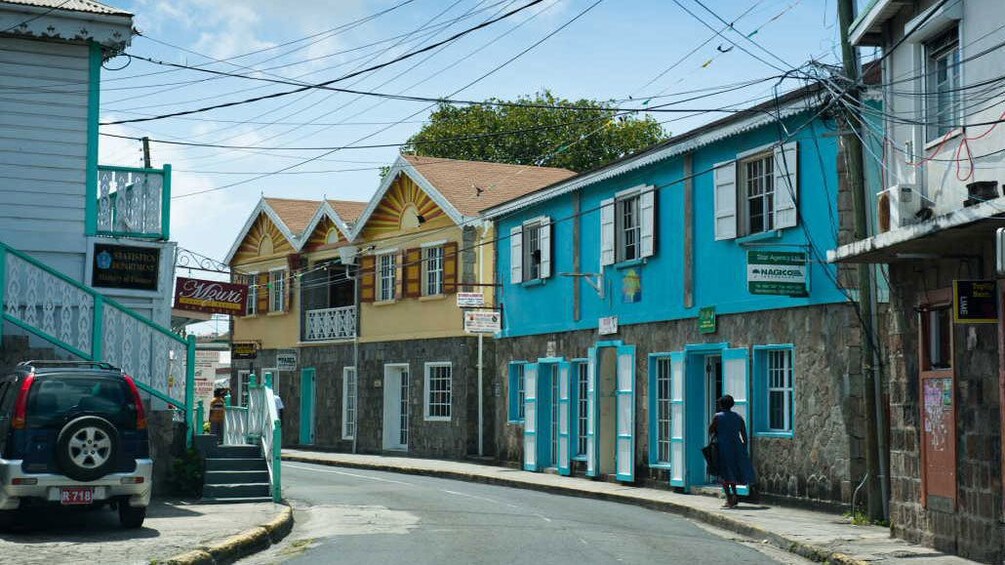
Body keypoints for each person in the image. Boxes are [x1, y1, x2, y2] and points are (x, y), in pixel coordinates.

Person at [708, 394, 756, 508]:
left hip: (723, 447)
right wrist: (743, 448)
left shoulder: (717, 417)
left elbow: (711, 430)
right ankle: (735, 495)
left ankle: (729, 498)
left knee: (724, 473)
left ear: (721, 405)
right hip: (736, 447)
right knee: (733, 472)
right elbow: (744, 435)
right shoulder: (738, 417)